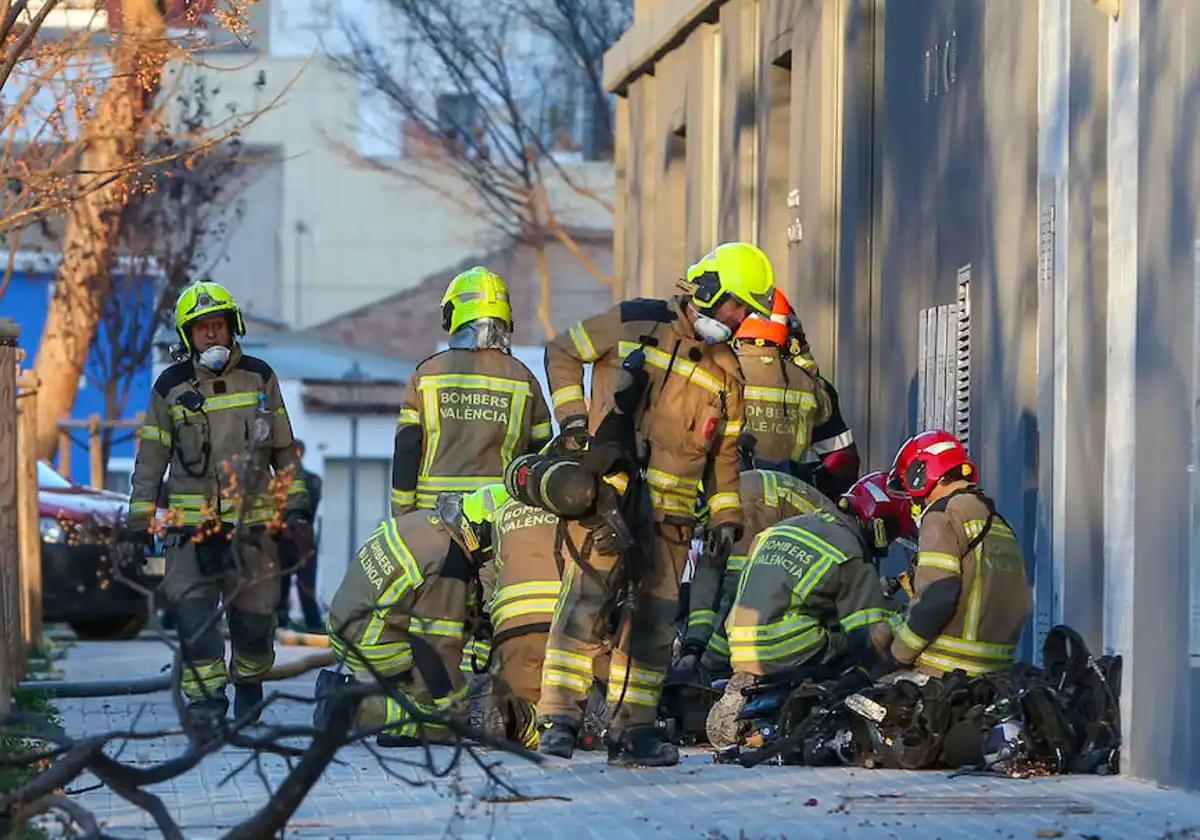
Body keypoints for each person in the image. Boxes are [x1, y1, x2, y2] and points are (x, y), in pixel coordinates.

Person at [536, 241, 774, 766]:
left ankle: (634, 730)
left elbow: (726, 458)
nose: (740, 319)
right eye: (737, 305)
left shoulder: (729, 374)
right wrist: (575, 426)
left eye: (747, 311)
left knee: (654, 625)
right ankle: (559, 720)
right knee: (585, 605)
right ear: (709, 289)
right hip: (609, 503)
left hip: (671, 521)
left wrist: (727, 516)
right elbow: (561, 350)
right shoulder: (635, 322)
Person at [127, 282, 311, 725]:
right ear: (188, 336)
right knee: (194, 620)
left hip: (254, 530)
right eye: (203, 329)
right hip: (191, 532)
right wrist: (138, 522)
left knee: (254, 621)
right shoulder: (169, 387)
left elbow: (284, 452)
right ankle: (206, 705)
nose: (212, 335)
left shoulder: (260, 377)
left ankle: (249, 684)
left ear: (233, 328)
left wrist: (297, 510)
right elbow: (151, 458)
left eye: (218, 325)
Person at [705, 471, 913, 748]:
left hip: (741, 644)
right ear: (880, 523)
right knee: (854, 639)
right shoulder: (850, 551)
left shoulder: (784, 527)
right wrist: (902, 627)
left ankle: (747, 689)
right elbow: (865, 632)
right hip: (786, 643)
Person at [326, 485, 508, 747]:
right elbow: (434, 650)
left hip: (344, 622)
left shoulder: (423, 520)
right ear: (482, 532)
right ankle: (354, 706)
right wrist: (456, 711)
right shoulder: (448, 563)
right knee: (435, 720)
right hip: (371, 643)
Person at [391, 267, 552, 516]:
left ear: (454, 314)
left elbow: (407, 448)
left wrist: (402, 514)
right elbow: (541, 453)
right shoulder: (525, 379)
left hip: (433, 516)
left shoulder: (426, 375)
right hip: (500, 517)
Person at [882, 430, 1031, 678]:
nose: (911, 502)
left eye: (910, 491)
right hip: (995, 676)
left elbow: (937, 598)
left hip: (942, 673)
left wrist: (896, 655)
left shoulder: (942, 515)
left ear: (920, 474)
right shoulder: (997, 521)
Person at [680, 469, 841, 680]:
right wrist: (693, 646)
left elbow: (739, 598)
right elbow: (708, 576)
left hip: (828, 557)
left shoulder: (742, 513)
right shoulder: (721, 509)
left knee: (753, 625)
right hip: (798, 547)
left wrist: (708, 664)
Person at [732, 290, 832, 475]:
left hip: (734, 490)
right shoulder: (805, 383)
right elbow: (825, 411)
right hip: (789, 491)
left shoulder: (726, 371)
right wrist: (803, 358)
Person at [277, 440, 323, 632]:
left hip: (302, 539)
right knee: (281, 585)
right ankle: (280, 623)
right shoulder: (279, 482)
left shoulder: (311, 480)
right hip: (283, 539)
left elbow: (308, 507)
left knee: (306, 586)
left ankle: (312, 625)